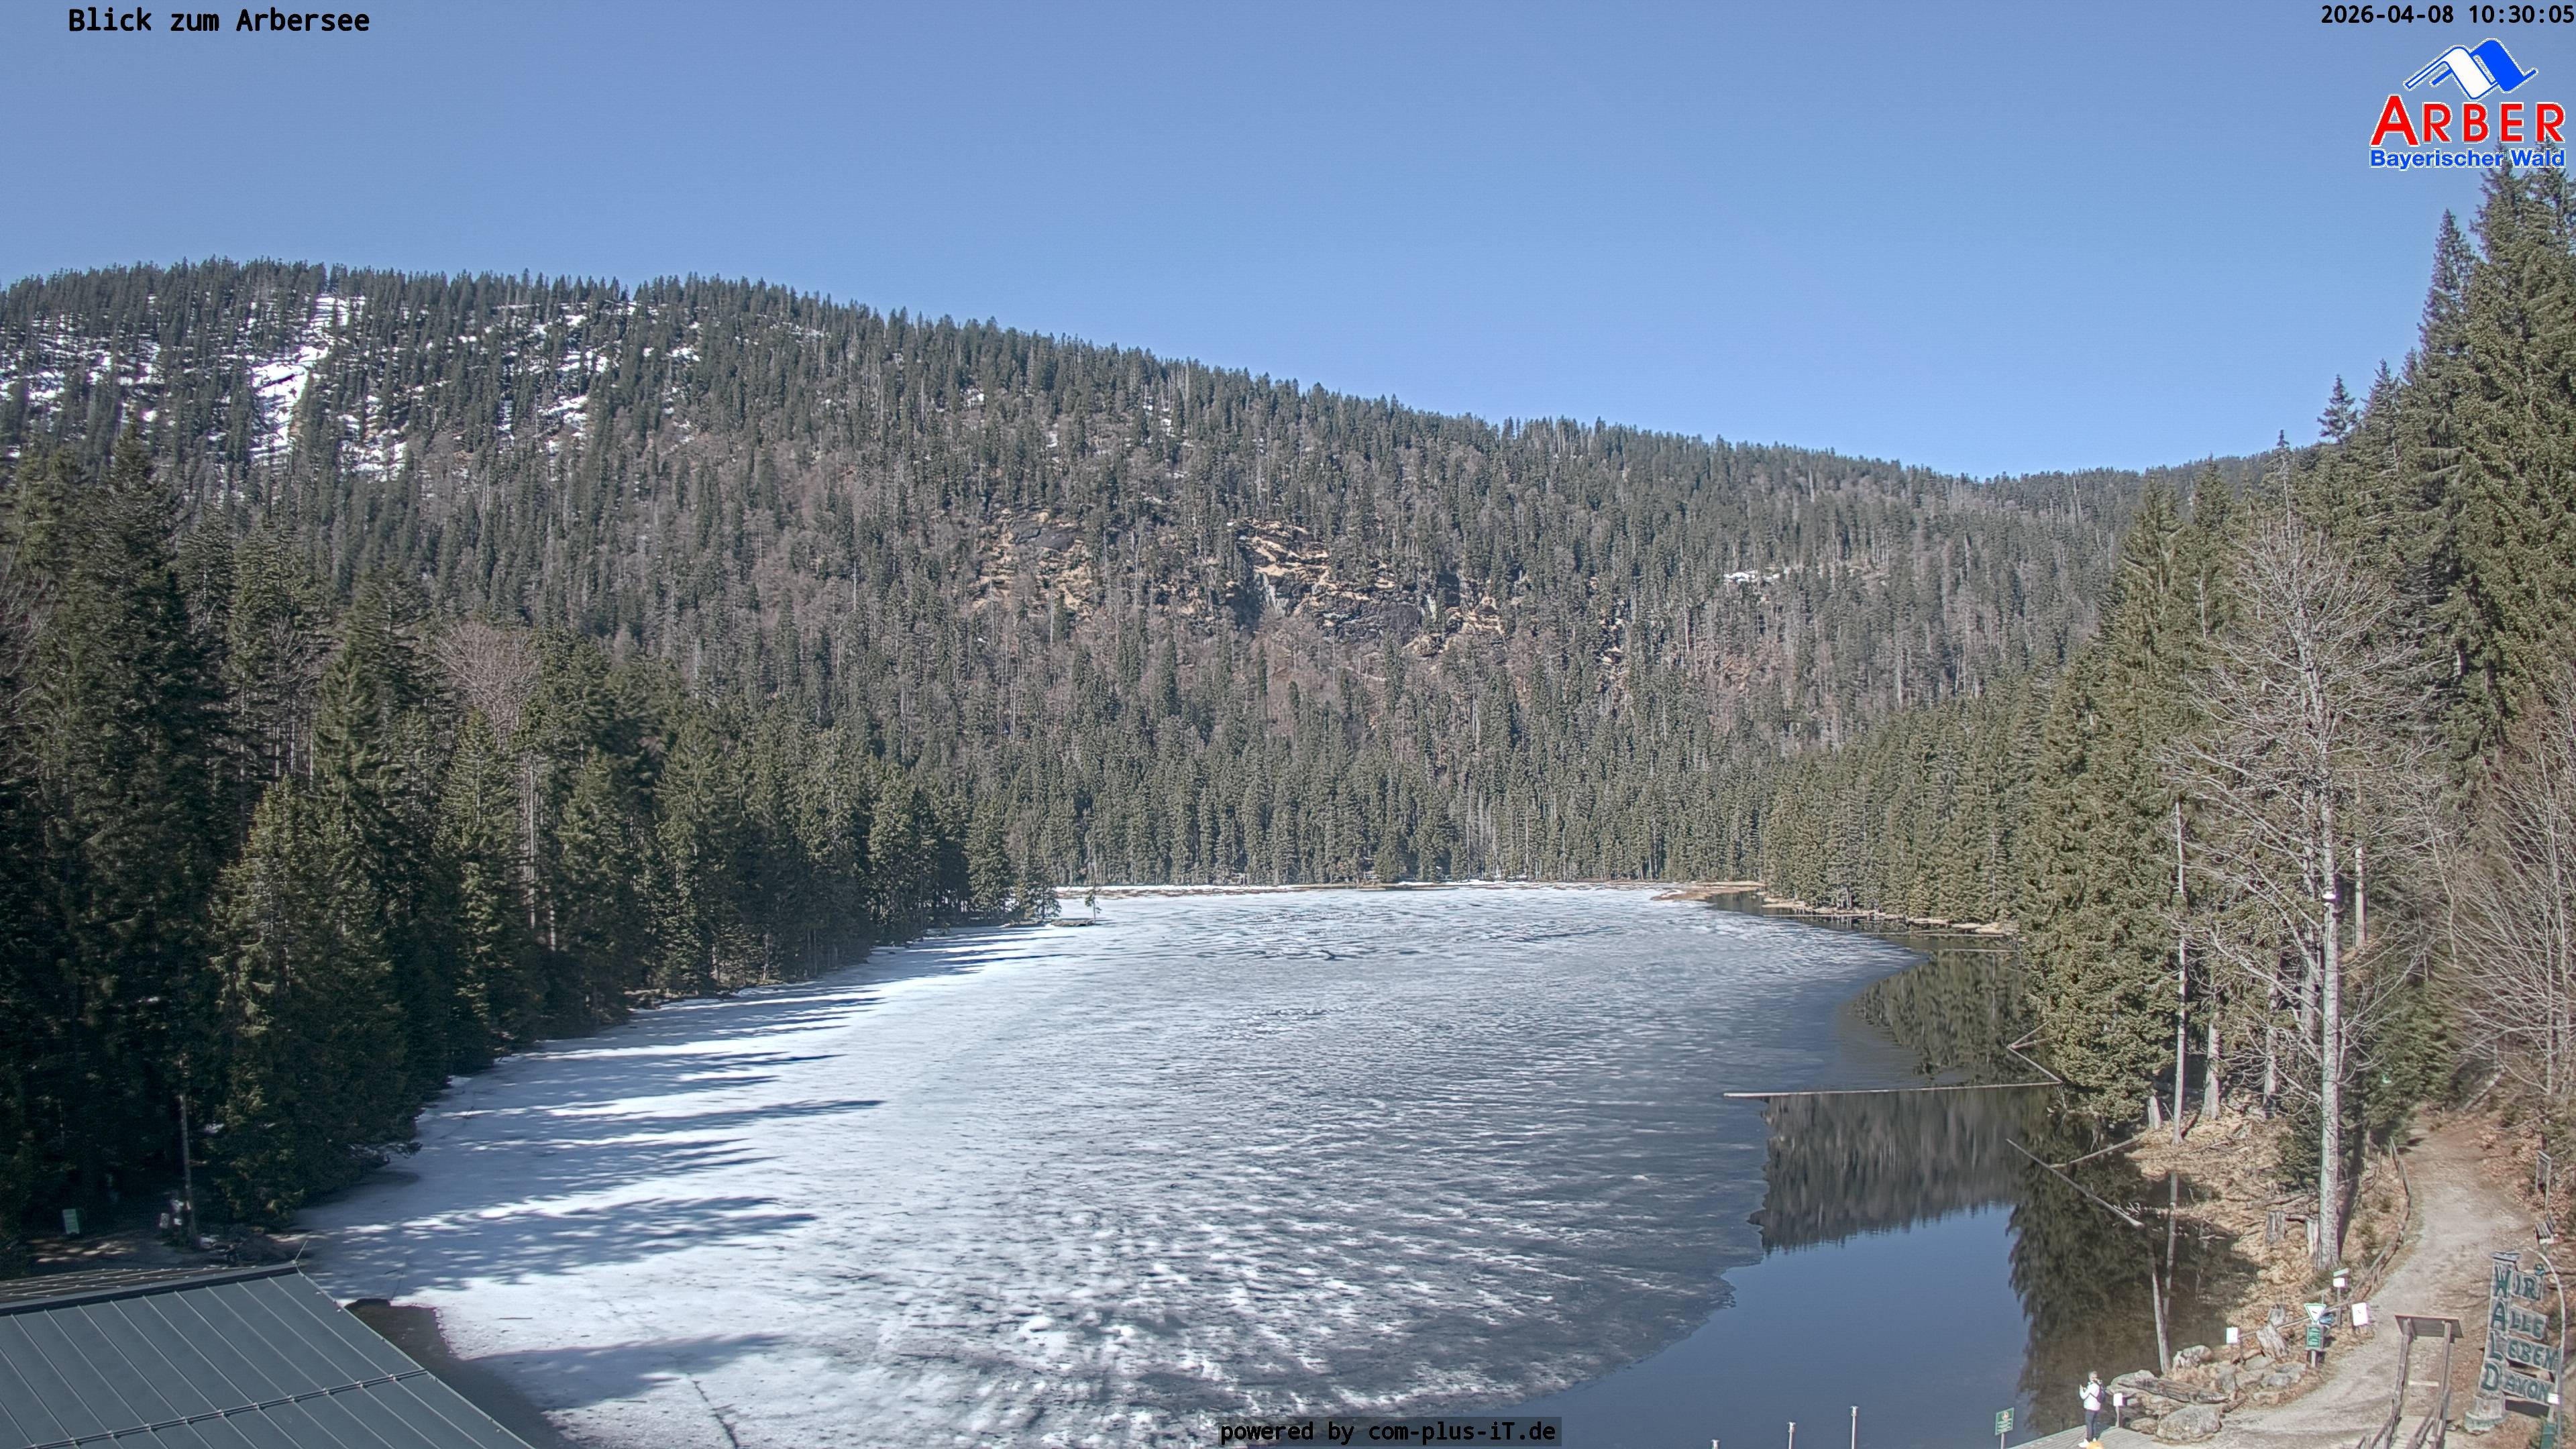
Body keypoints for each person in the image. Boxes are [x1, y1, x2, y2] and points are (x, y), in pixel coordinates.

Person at [2082, 1371, 2104, 1442]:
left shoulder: (2092, 1386)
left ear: (2090, 1378)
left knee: (2089, 1423)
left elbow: (2083, 1396)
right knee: (2094, 1422)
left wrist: (2081, 1390)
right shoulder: (2100, 1385)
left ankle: (2089, 1439)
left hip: (2091, 1407)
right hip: (2097, 1407)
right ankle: (2094, 1437)